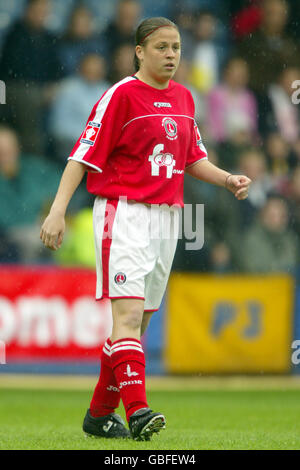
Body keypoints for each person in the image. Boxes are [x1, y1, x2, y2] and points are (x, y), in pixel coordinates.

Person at [40, 17, 251, 441]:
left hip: (167, 219)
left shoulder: (185, 98)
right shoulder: (120, 95)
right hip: (124, 213)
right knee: (129, 316)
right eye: (161, 47)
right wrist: (57, 211)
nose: (171, 54)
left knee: (136, 327)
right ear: (139, 51)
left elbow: (192, 158)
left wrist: (227, 178)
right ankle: (138, 412)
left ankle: (99, 416)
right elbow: (81, 156)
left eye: (175, 47)